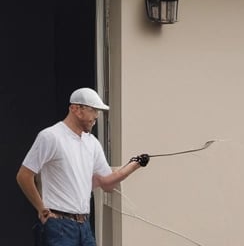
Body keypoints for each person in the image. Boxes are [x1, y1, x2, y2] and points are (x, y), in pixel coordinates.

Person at [16, 87, 149, 246]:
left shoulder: (91, 143)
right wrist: (41, 208)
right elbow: (24, 175)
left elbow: (107, 183)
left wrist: (135, 165)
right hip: (59, 226)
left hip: (84, 225)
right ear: (76, 109)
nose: (96, 116)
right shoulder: (51, 137)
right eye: (93, 111)